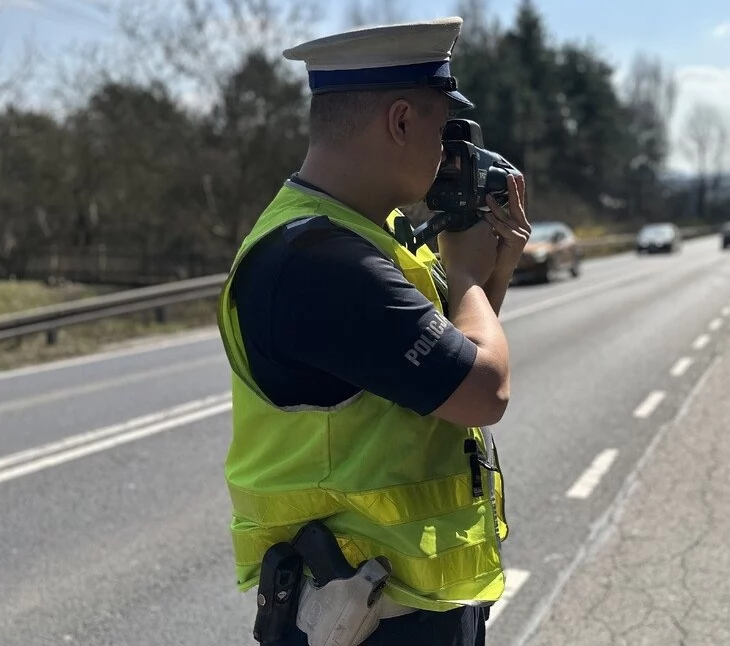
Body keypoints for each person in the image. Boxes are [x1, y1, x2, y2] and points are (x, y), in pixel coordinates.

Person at [214, 17, 526, 645]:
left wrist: (494, 271)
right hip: (363, 617)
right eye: (444, 132)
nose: (448, 155)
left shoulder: (367, 236)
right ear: (401, 121)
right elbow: (481, 390)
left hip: (400, 601)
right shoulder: (318, 261)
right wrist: (464, 271)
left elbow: (441, 374)